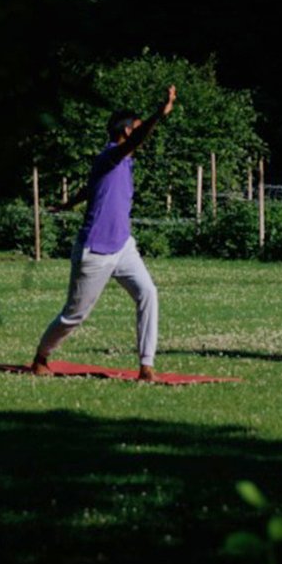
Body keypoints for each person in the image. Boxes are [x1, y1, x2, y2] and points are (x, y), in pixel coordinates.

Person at [30, 85, 177, 380]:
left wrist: (68, 203)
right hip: (95, 249)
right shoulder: (111, 155)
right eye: (135, 130)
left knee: (148, 293)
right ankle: (40, 357)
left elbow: (91, 187)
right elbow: (135, 139)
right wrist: (159, 113)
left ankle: (146, 366)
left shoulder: (121, 163)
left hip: (123, 246)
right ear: (125, 132)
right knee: (75, 315)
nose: (140, 137)